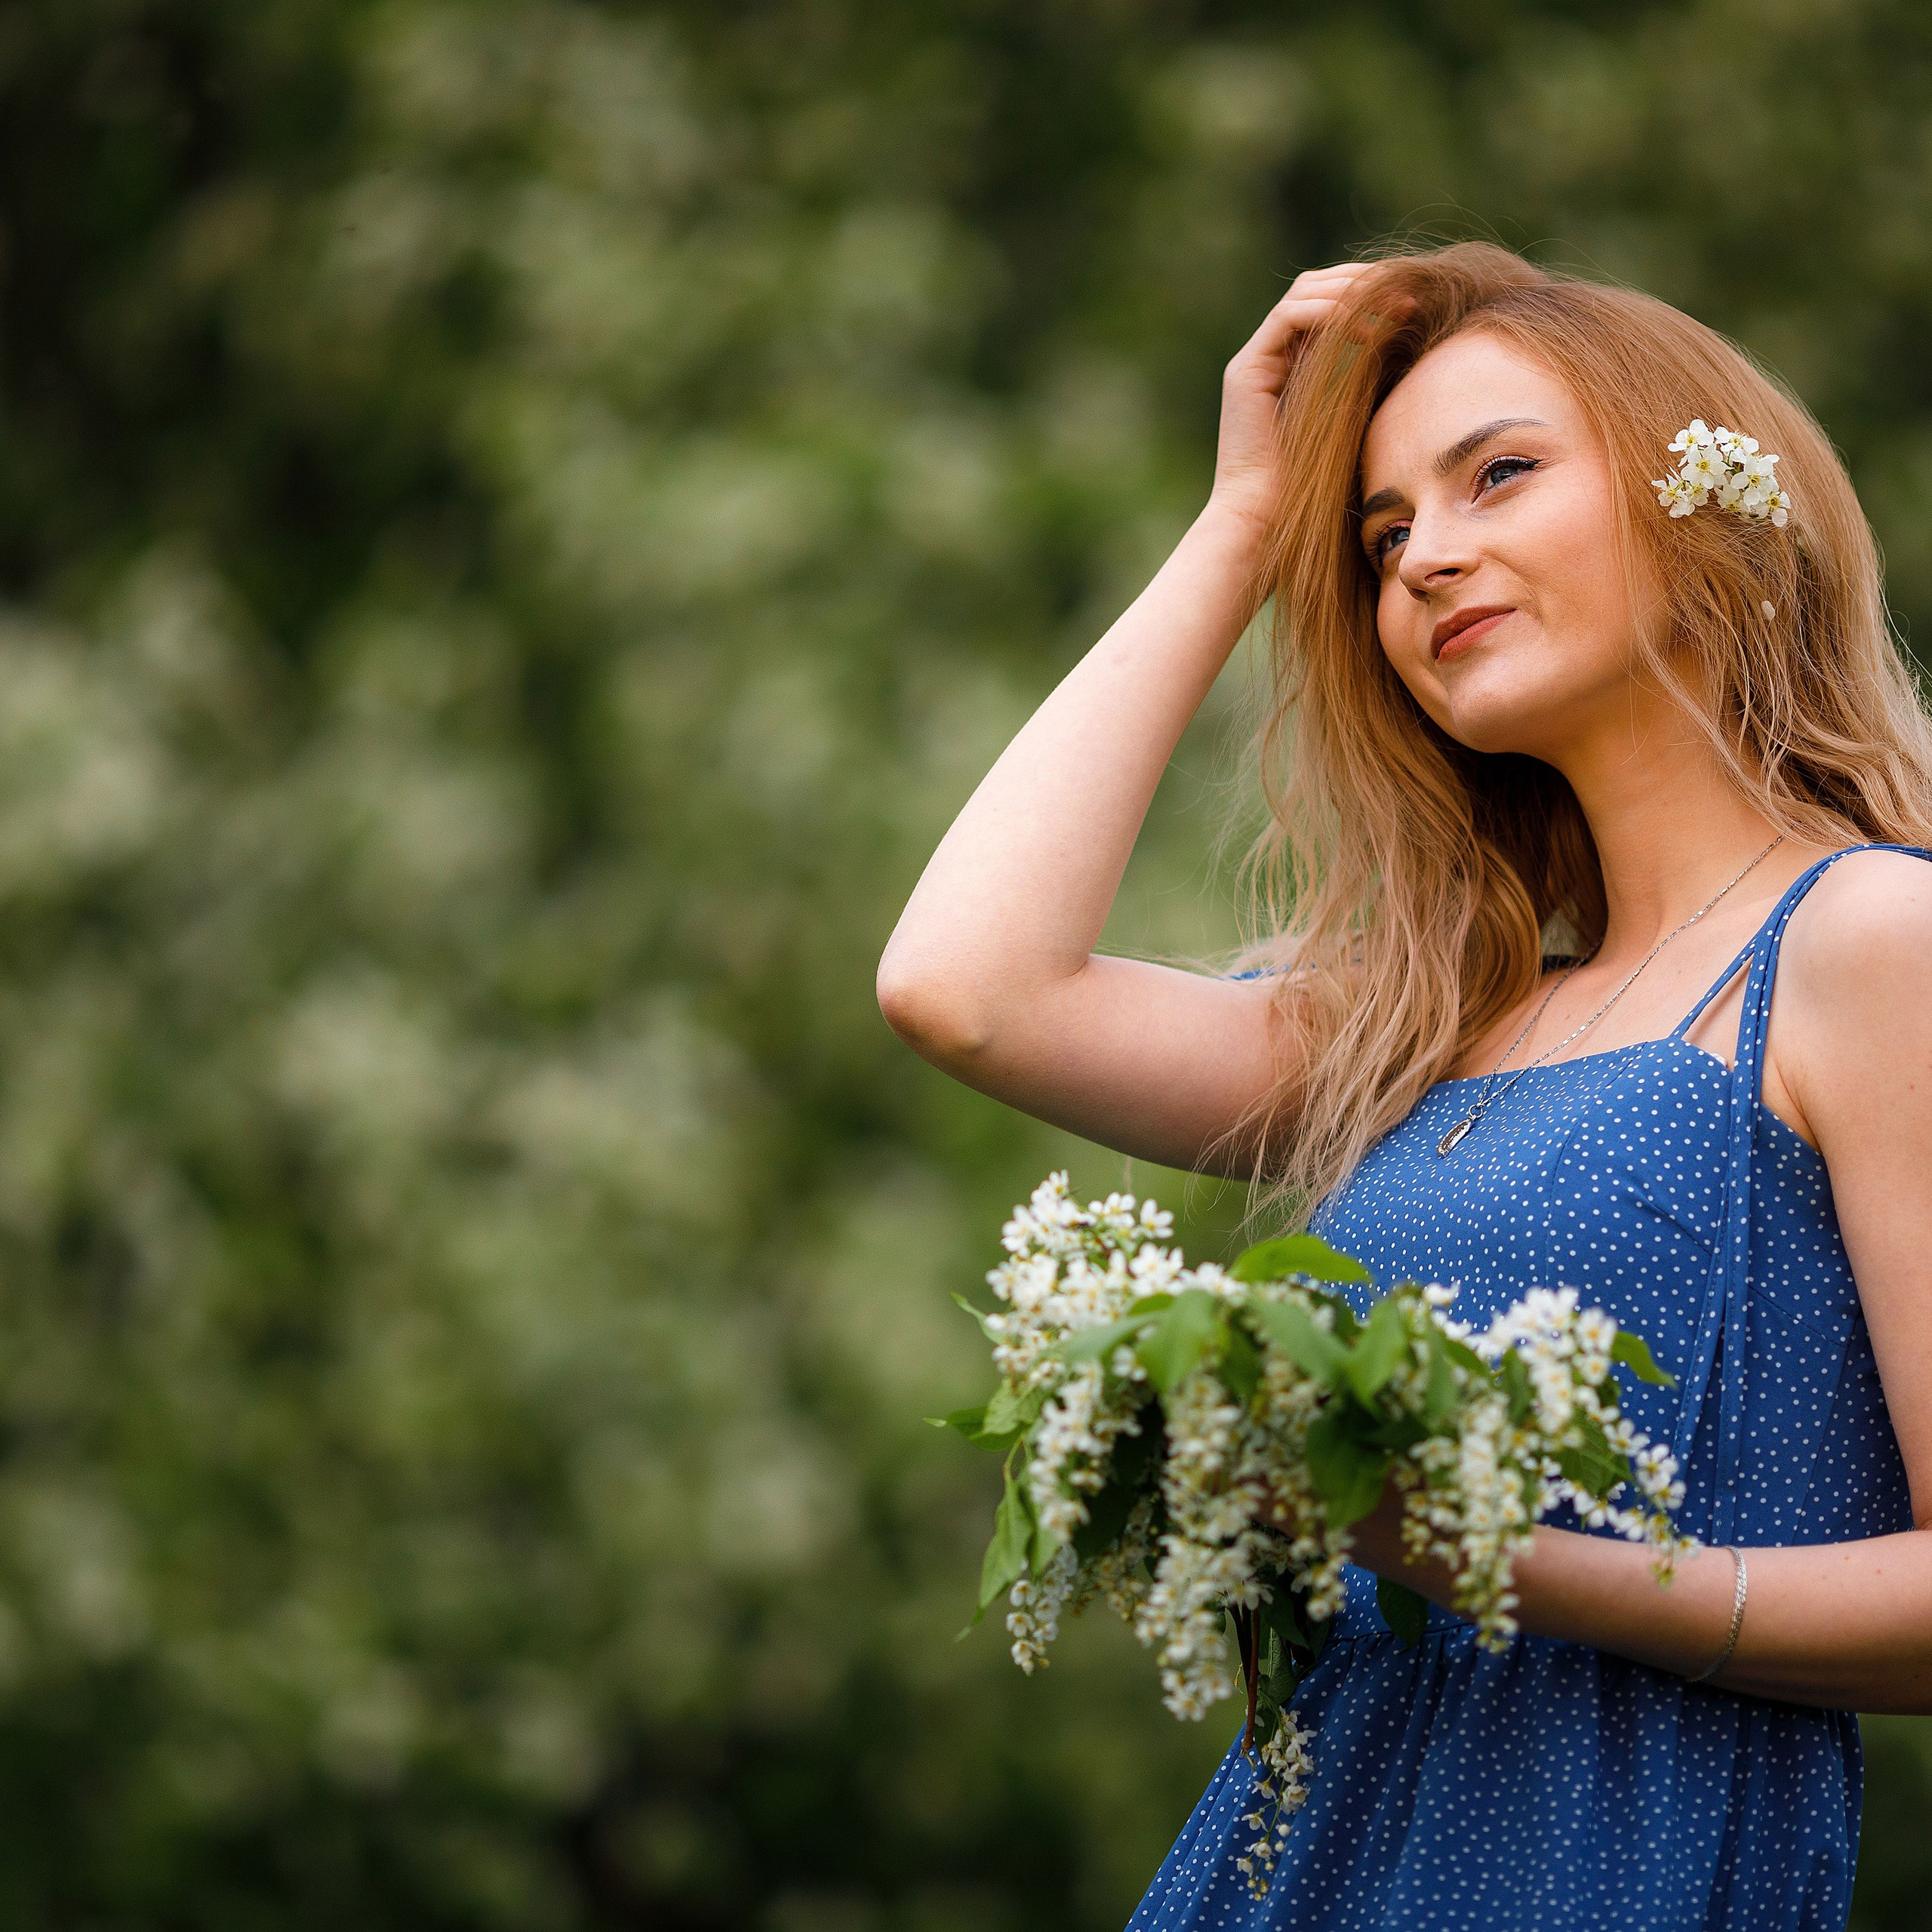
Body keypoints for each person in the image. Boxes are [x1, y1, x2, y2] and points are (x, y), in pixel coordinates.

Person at [874, 241, 1932, 1930]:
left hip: (1619, 1871)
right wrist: (1240, 521)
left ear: (1705, 498)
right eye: (1376, 540)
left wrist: (1508, 1566)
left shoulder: (1873, 938)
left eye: (1497, 473)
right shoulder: (1428, 1020)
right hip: (1299, 1858)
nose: (1427, 555)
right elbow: (965, 989)